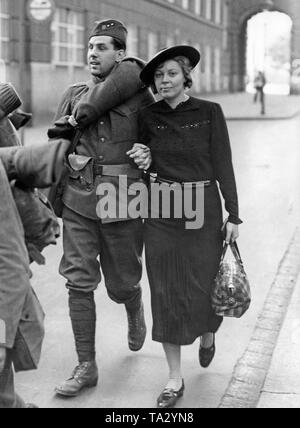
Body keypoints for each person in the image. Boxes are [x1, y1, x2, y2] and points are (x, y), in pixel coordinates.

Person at [49, 19, 154, 398]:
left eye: (102, 47)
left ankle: (133, 303)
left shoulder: (142, 99)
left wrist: (148, 154)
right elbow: (57, 150)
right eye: (90, 47)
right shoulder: (75, 93)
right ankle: (86, 366)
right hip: (79, 198)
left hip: (124, 200)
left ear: (120, 54)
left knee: (121, 283)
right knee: (78, 281)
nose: (92, 53)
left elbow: (158, 146)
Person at [137, 45, 242, 408]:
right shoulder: (147, 116)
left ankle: (208, 332)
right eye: (158, 76)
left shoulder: (210, 113)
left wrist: (234, 215)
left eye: (170, 74)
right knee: (164, 290)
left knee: (200, 286)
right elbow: (140, 165)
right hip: (162, 212)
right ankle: (173, 378)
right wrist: (143, 160)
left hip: (202, 213)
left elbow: (223, 163)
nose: (163, 81)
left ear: (185, 76)